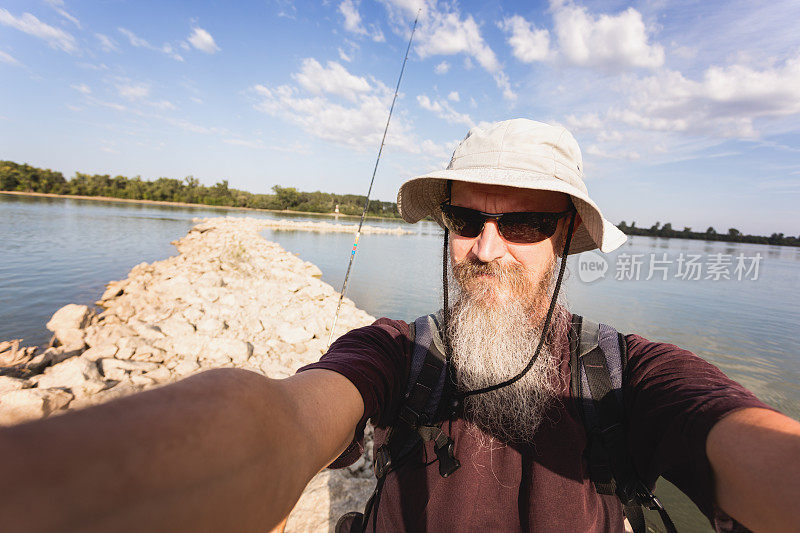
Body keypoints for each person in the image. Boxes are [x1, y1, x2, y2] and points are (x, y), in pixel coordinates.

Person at [0, 119, 798, 533]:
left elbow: (746, 441)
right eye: (466, 219)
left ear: (566, 240)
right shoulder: (394, 350)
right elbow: (280, 422)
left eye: (523, 224)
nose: (487, 250)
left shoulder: (628, 372)